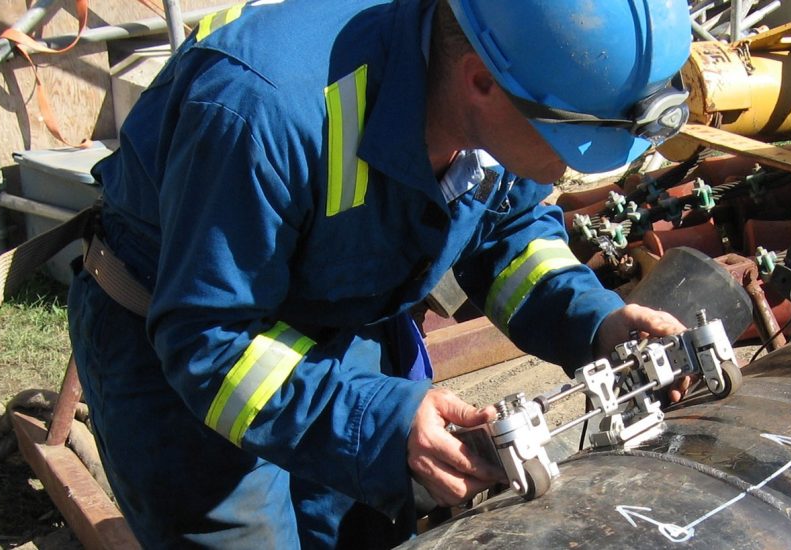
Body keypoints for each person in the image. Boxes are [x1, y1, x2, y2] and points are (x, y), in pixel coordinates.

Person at [67, 0, 693, 546]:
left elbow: (508, 232)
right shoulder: (263, 111)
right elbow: (207, 339)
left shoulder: (503, 79)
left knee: (364, 533)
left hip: (336, 316)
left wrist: (598, 320)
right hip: (185, 349)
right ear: (481, 84)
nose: (572, 169)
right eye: (575, 142)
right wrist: (380, 420)